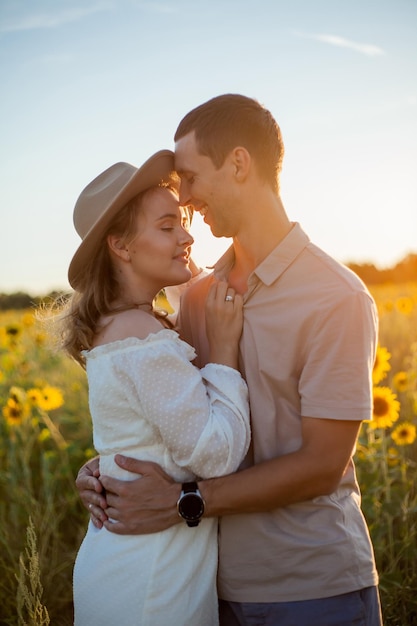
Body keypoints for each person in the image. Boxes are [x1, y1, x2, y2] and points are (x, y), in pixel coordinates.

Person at [77, 95, 383, 626]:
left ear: (239, 164)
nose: (188, 200)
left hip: (310, 587)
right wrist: (107, 471)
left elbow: (321, 465)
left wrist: (182, 502)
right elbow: (171, 418)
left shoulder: (337, 297)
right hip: (204, 588)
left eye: (191, 179)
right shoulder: (193, 299)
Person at [63, 150, 251, 625]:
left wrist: (98, 467)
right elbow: (213, 455)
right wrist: (225, 353)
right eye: (167, 226)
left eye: (183, 221)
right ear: (122, 247)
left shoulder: (125, 327)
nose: (187, 235)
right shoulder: (139, 337)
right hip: (151, 583)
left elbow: (135, 441)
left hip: (129, 566)